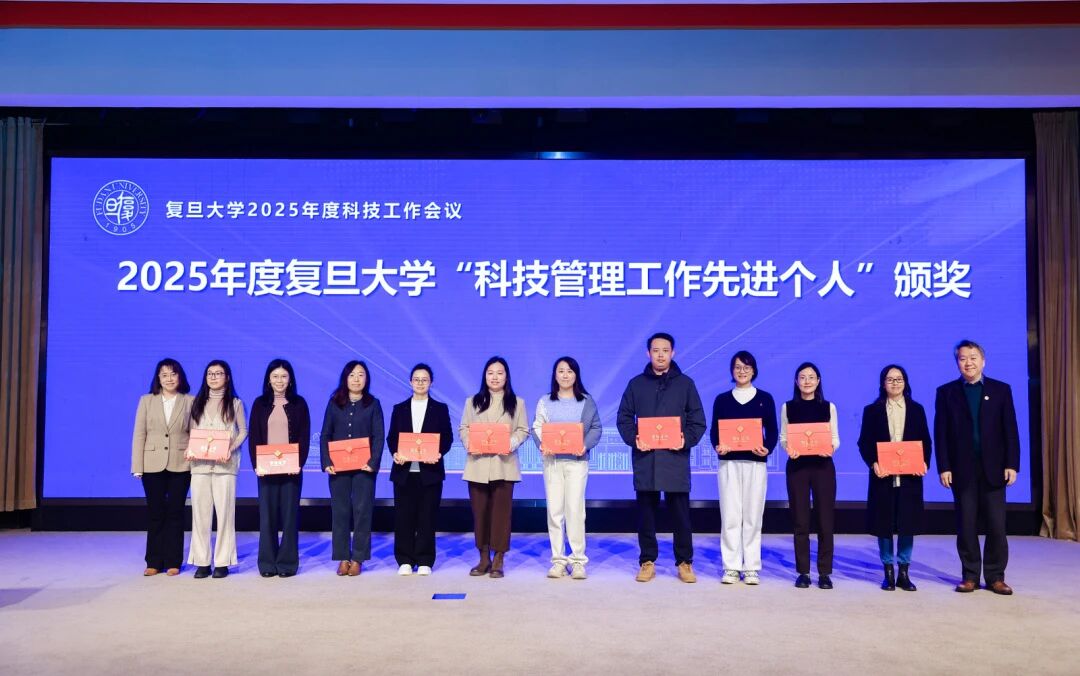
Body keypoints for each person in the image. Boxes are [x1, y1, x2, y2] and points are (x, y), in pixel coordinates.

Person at [617, 332, 706, 584]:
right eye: (655, 350)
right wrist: (634, 438)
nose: (660, 355)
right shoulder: (636, 384)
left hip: (675, 458)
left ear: (673, 353)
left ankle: (684, 562)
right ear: (648, 353)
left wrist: (684, 440)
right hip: (646, 459)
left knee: (681, 515)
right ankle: (647, 561)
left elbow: (698, 421)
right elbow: (624, 418)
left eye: (665, 351)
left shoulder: (685, 384)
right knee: (645, 515)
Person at [935, 339, 1021, 595]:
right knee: (966, 524)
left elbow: (1010, 430)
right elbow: (941, 433)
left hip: (994, 468)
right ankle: (970, 575)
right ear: (957, 363)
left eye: (973, 358)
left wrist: (1012, 464)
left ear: (983, 361)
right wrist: (944, 466)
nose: (968, 363)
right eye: (962, 358)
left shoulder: (1001, 390)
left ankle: (995, 576)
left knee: (996, 525)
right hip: (962, 470)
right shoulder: (946, 392)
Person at [856, 364, 932, 592]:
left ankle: (904, 572)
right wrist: (874, 463)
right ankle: (888, 571)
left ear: (905, 382)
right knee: (884, 523)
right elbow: (864, 442)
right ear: (883, 383)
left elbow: (926, 441)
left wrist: (924, 463)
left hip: (910, 477)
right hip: (883, 477)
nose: (895, 383)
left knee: (908, 523)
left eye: (899, 379)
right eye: (890, 379)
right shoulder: (872, 410)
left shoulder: (917, 409)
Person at [708, 350, 778, 585]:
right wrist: (718, 446)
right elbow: (715, 431)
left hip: (755, 464)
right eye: (737, 367)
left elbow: (772, 431)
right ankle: (731, 566)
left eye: (746, 367)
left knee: (752, 516)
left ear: (754, 370)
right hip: (729, 463)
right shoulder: (722, 399)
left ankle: (751, 567)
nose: (742, 371)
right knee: (730, 515)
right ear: (732, 370)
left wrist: (767, 448)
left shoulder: (765, 398)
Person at [458, 356, 529, 579]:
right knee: (480, 514)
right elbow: (464, 428)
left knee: (501, 515)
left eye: (499, 373)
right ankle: (483, 557)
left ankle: (499, 557)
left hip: (504, 465)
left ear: (506, 376)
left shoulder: (517, 403)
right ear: (484, 376)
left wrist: (510, 443)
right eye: (490, 373)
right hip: (477, 465)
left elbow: (523, 430)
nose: (495, 377)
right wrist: (469, 442)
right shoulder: (472, 401)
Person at [532, 357, 603, 580]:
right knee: (554, 512)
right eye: (561, 371)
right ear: (555, 375)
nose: (565, 375)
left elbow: (596, 428)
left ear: (576, 375)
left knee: (575, 511)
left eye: (570, 371)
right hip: (552, 462)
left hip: (577, 462)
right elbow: (537, 427)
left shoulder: (586, 401)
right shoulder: (545, 401)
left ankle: (578, 561)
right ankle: (558, 561)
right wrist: (542, 444)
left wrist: (584, 445)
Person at [386, 363, 454, 576]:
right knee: (403, 517)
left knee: (427, 517)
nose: (420, 383)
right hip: (404, 472)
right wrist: (395, 453)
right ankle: (404, 559)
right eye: (416, 379)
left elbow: (447, 437)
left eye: (425, 379)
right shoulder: (399, 408)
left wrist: (439, 453)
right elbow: (392, 437)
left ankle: (425, 559)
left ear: (431, 383)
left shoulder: (440, 408)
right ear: (410, 382)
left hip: (430, 472)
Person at [131, 358, 194, 577]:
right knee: (155, 512)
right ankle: (154, 561)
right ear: (158, 378)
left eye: (173, 374)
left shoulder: (190, 401)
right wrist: (137, 466)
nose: (169, 379)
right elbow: (139, 434)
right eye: (164, 375)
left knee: (176, 512)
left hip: (181, 463)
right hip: (152, 464)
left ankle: (173, 560)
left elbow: (195, 433)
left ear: (180, 377)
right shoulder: (146, 400)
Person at [320, 360, 384, 577]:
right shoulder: (334, 403)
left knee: (362, 512)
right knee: (340, 512)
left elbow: (378, 436)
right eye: (352, 375)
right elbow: (325, 434)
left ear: (367, 379)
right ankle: (342, 558)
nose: (356, 379)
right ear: (345, 378)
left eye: (361, 375)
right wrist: (326, 461)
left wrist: (373, 463)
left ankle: (357, 558)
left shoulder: (373, 404)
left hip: (364, 469)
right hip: (338, 468)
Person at [247, 359, 310, 578]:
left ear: (290, 379)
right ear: (268, 380)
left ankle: (287, 563)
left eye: (284, 376)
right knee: (267, 518)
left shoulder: (299, 404)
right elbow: (254, 436)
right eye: (275, 376)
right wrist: (257, 465)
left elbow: (304, 436)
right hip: (266, 470)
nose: (279, 381)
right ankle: (267, 563)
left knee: (290, 517)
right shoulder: (259, 404)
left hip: (291, 470)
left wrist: (298, 463)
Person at [780, 362, 840, 590]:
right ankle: (803, 572)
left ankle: (824, 572)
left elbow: (835, 438)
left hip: (823, 467)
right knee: (800, 520)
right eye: (802, 377)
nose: (807, 381)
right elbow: (784, 437)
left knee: (825, 520)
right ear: (796, 381)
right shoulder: (788, 407)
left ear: (818, 381)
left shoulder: (828, 407)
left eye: (811, 377)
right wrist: (788, 449)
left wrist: (831, 448)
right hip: (797, 468)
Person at [186, 360, 247, 579]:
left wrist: (231, 448)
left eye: (218, 373)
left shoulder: (236, 403)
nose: (213, 377)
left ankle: (222, 562)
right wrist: (191, 449)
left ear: (227, 377)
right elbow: (192, 432)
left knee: (225, 515)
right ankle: (202, 562)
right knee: (200, 515)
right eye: (210, 373)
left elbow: (243, 431)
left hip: (225, 466)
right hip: (199, 466)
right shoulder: (196, 403)